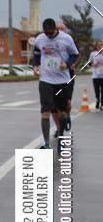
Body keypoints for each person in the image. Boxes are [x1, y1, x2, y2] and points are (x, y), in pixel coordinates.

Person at [32, 18, 78, 153]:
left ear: (56, 30)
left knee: (62, 112)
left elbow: (75, 54)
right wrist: (35, 66)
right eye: (46, 33)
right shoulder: (40, 39)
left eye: (51, 33)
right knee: (45, 111)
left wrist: (67, 64)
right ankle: (46, 144)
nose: (48, 36)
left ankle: (61, 137)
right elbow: (36, 53)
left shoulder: (66, 39)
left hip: (62, 80)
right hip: (46, 80)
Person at [90, 41, 103, 109]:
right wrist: (93, 64)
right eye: (98, 45)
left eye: (101, 45)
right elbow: (89, 63)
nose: (99, 47)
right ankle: (98, 100)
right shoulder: (93, 54)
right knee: (97, 90)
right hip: (95, 76)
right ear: (96, 46)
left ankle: (102, 103)